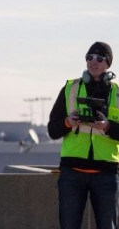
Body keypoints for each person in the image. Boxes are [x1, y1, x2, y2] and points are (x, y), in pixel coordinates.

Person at [48, 41, 119, 229]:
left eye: (99, 58)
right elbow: (52, 130)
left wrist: (108, 127)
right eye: (89, 57)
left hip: (106, 174)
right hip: (72, 173)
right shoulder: (70, 89)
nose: (92, 62)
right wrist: (67, 122)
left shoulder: (118, 94)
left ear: (108, 63)